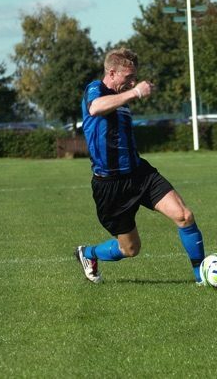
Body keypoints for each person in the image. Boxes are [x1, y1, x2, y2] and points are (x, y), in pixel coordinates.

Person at [75, 48, 205, 284]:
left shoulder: (122, 95)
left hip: (139, 173)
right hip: (110, 185)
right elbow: (95, 108)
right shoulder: (96, 89)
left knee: (184, 215)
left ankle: (202, 278)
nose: (133, 81)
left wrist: (130, 91)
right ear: (112, 73)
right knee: (131, 249)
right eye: (128, 77)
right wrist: (135, 92)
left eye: (135, 77)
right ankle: (88, 253)